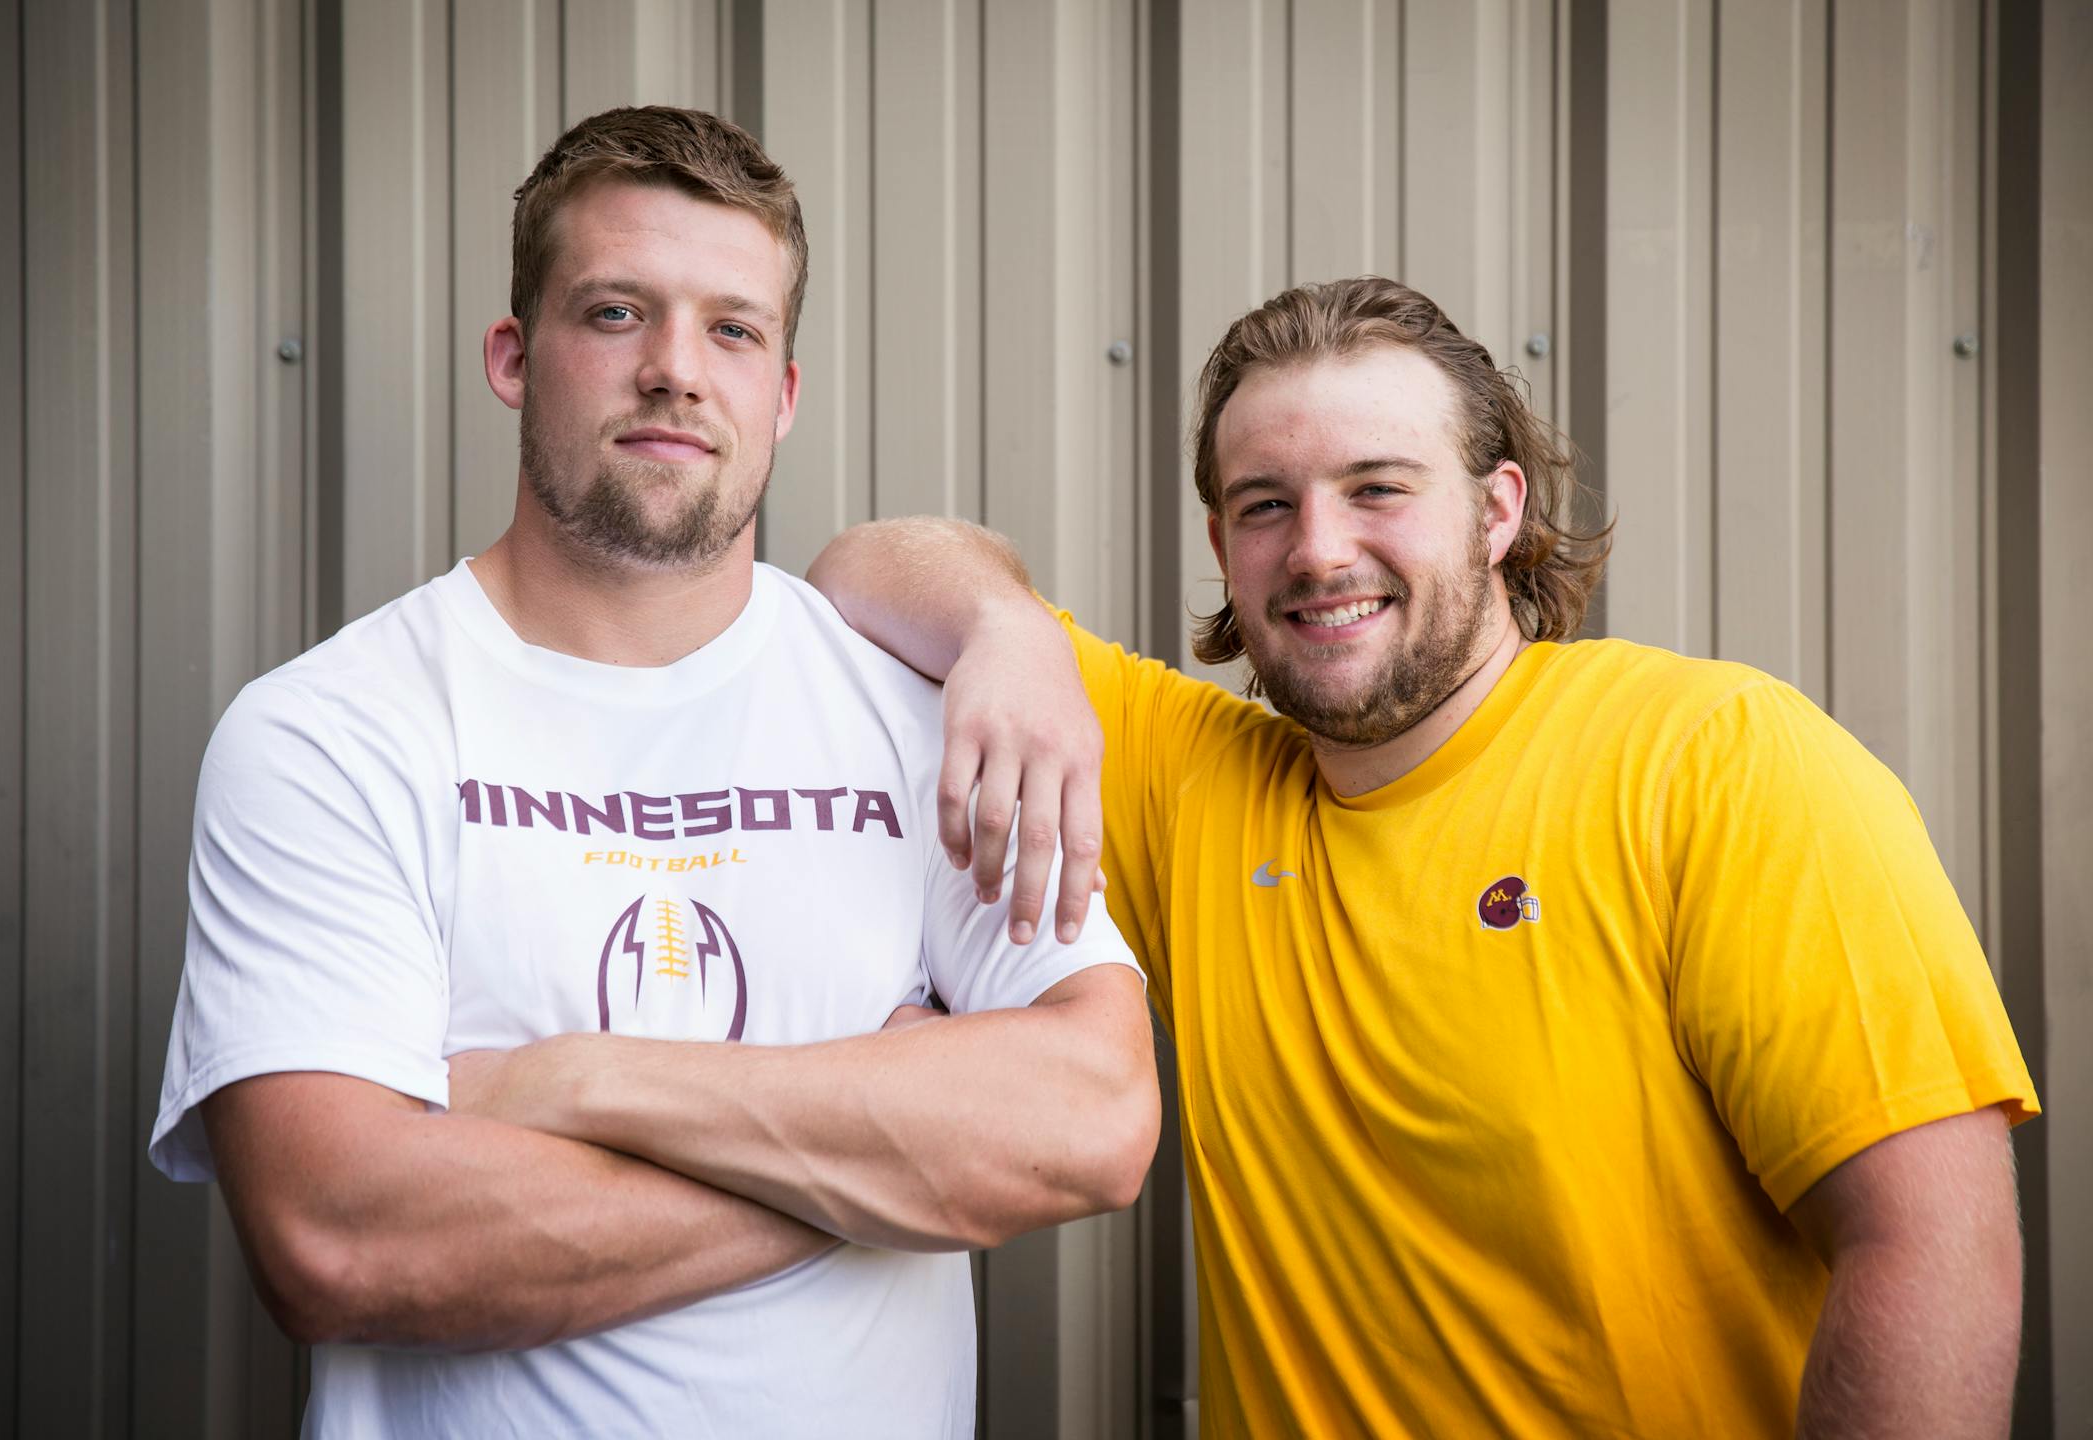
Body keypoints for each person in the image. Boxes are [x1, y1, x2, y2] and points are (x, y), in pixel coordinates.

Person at [808, 275, 2040, 1438]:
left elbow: (1936, 1241)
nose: (1317, 551)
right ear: (1222, 541)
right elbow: (856, 571)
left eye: (1377, 489)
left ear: (1498, 510)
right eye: (1265, 505)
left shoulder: (1714, 763)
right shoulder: (1196, 783)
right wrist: (1005, 628)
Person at [147, 105, 1157, 1440]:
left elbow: (1093, 1121)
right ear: (516, 356)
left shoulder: (918, 717)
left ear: (782, 392)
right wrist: (889, 1144)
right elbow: (341, 1246)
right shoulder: (331, 734)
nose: (676, 370)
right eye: (618, 313)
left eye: (732, 329)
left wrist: (570, 1083)